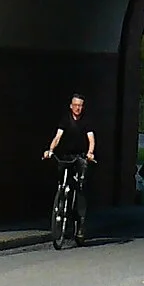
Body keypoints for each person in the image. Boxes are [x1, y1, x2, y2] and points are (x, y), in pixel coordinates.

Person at [44, 94, 95, 245]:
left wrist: (90, 153)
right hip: (66, 156)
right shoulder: (65, 120)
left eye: (80, 105)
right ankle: (61, 196)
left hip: (80, 157)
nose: (78, 108)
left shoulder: (86, 121)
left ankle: (80, 225)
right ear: (71, 106)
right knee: (62, 179)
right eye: (75, 105)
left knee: (80, 188)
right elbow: (58, 137)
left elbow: (91, 139)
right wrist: (50, 150)